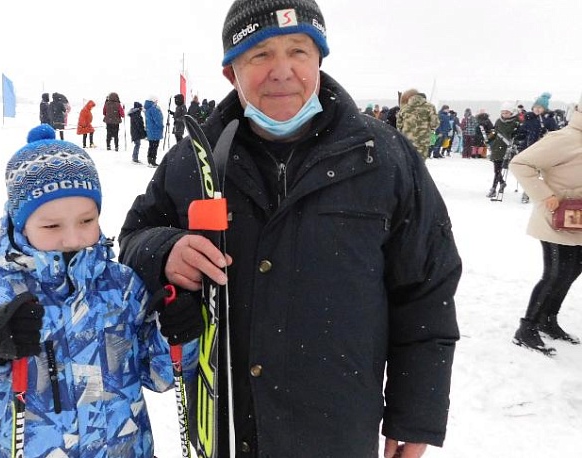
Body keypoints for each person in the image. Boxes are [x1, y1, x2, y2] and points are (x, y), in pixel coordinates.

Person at [118, 1, 461, 456]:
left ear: (318, 60)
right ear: (231, 73)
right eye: (259, 55)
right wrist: (166, 252)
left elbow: (426, 291)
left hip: (338, 427)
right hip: (230, 428)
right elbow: (133, 241)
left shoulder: (386, 158)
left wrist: (416, 412)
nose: (282, 71)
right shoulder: (191, 161)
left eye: (298, 51)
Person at [0, 124, 190, 457]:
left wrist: (175, 335)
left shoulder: (122, 287)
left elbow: (160, 377)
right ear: (20, 225)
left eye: (87, 220)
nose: (73, 239)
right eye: (52, 226)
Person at [509, 98, 582, 356]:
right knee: (555, 273)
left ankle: (548, 319)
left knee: (572, 270)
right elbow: (520, 163)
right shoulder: (564, 138)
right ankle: (526, 328)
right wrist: (544, 194)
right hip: (557, 218)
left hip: (579, 219)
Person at [514, 92, 560, 203]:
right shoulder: (529, 118)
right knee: (529, 173)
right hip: (528, 149)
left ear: (544, 109)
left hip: (542, 150)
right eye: (536, 107)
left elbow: (556, 134)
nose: (537, 109)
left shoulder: (549, 120)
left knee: (541, 173)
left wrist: (547, 133)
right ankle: (528, 192)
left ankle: (542, 193)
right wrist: (518, 134)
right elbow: (523, 132)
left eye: (540, 107)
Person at [485, 103, 519, 198]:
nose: (504, 114)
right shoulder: (498, 121)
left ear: (511, 113)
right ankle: (501, 183)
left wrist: (515, 141)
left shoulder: (515, 123)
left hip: (506, 148)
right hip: (496, 147)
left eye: (507, 112)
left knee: (498, 169)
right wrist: (488, 139)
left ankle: (494, 188)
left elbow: (517, 135)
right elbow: (494, 132)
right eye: (503, 112)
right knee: (496, 169)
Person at [397, 89, 439, 159]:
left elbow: (399, 125)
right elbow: (434, 123)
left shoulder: (405, 107)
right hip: (423, 140)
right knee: (420, 162)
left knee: (408, 161)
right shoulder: (430, 107)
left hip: (407, 139)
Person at [143, 96, 163, 167]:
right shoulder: (154, 109)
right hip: (155, 130)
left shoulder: (147, 109)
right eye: (156, 101)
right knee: (154, 146)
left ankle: (150, 160)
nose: (157, 102)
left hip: (150, 131)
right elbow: (158, 120)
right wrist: (161, 126)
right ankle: (153, 161)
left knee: (151, 146)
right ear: (153, 101)